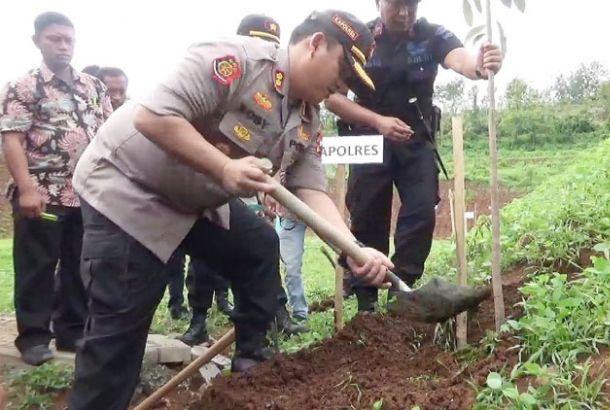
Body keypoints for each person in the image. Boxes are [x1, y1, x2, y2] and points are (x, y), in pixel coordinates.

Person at [68, 10, 391, 409]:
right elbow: (152, 117)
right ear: (316, 44)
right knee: (120, 334)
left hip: (193, 201)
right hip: (128, 191)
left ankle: (251, 382)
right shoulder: (236, 60)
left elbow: (309, 188)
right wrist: (223, 167)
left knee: (257, 247)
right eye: (343, 71)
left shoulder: (308, 115)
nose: (343, 86)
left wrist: (354, 249)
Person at [326, 0, 503, 312]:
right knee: (367, 214)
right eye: (396, 5)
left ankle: (402, 291)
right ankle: (366, 301)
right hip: (369, 138)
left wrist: (480, 64)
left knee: (422, 210)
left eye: (411, 5)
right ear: (379, 3)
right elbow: (333, 100)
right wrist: (378, 122)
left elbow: (461, 60)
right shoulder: (360, 38)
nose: (404, 13)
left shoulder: (432, 35)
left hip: (416, 140)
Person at [177, 13, 303, 347]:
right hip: (196, 191)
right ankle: (198, 319)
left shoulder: (283, 100)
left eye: (273, 45)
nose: (267, 50)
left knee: (261, 249)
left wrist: (273, 188)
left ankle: (271, 323)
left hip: (249, 195)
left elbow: (285, 152)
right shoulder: (227, 79)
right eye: (260, 41)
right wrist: (222, 168)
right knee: (203, 263)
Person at [0, 12, 112, 365]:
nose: (63, 46)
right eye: (55, 39)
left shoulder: (93, 86)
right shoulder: (24, 86)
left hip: (86, 195)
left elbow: (109, 135)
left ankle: (72, 332)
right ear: (37, 41)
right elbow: (12, 140)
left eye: (68, 40)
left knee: (81, 265)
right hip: (43, 194)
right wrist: (27, 189)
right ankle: (33, 338)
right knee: (37, 265)